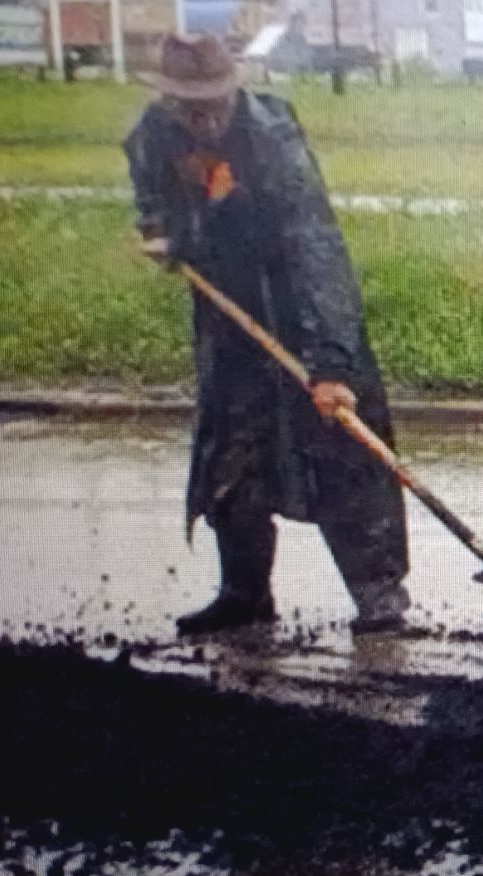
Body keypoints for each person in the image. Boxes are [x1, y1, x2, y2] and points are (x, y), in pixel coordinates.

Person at [124, 34, 412, 636]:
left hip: (300, 303)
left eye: (213, 102)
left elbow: (315, 245)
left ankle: (380, 593)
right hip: (227, 309)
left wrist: (330, 362)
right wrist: (160, 231)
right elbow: (151, 190)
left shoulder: (272, 138)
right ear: (170, 99)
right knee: (232, 447)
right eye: (189, 105)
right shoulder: (156, 131)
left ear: (233, 88)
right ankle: (245, 593)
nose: (204, 116)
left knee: (341, 448)